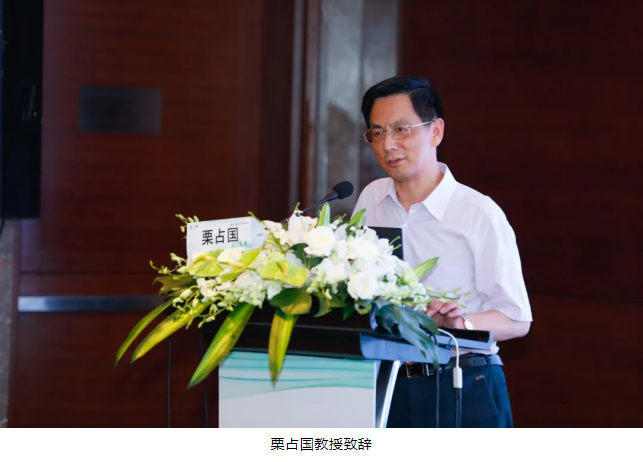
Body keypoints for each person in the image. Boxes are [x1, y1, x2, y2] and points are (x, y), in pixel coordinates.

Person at [352, 75, 532, 428]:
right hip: (388, 384)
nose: (388, 145)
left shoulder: (478, 213)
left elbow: (516, 320)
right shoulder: (371, 198)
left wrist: (459, 325)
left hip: (462, 384)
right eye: (377, 133)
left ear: (435, 131)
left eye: (401, 130)